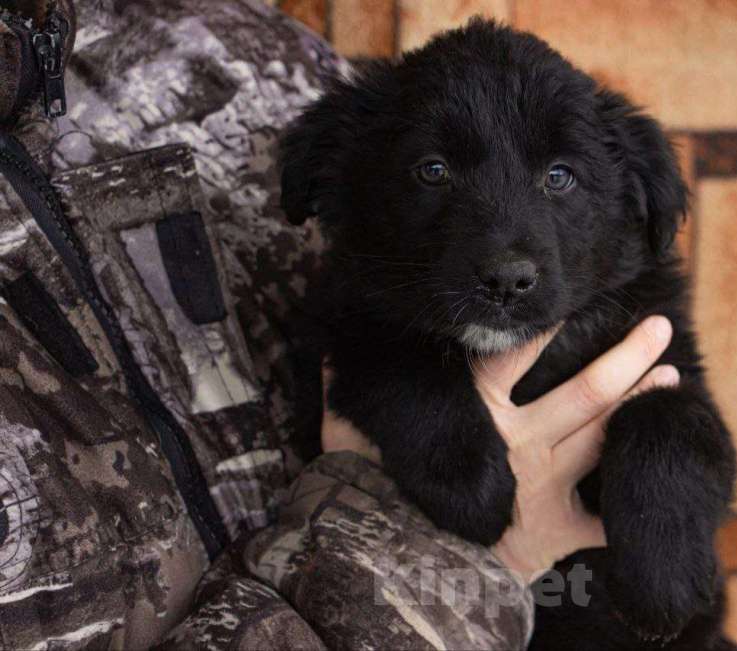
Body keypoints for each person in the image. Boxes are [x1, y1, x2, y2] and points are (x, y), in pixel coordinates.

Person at [0, 0, 678, 648]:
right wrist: (455, 554)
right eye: (434, 170)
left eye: (560, 176)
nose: (506, 254)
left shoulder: (233, 45)